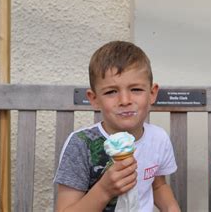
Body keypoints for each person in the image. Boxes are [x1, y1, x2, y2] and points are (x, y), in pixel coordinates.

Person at [54, 41, 180, 212]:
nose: (125, 100)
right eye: (111, 92)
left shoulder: (158, 138)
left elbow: (158, 185)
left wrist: (172, 208)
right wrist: (104, 190)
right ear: (94, 99)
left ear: (152, 93)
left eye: (136, 89)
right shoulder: (81, 144)